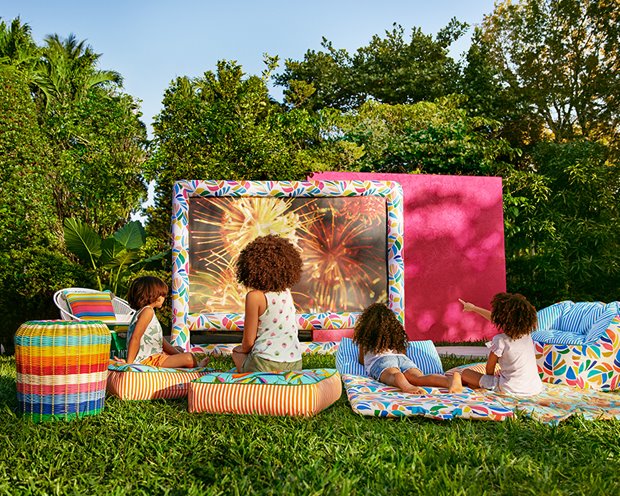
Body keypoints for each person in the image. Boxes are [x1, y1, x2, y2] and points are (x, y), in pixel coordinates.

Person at [354, 303, 463, 394]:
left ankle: (406, 386)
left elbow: (361, 360)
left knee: (393, 375)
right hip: (402, 358)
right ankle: (449, 380)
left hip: (381, 361)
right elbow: (403, 352)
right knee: (419, 378)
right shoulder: (395, 335)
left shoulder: (366, 336)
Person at [232, 234, 303, 373]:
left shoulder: (255, 297)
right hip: (295, 363)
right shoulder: (286, 292)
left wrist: (240, 350)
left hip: (264, 363)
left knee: (237, 353)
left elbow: (248, 343)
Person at [458, 293, 543, 396]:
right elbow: (496, 319)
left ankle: (484, 389)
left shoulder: (500, 340)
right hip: (534, 388)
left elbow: (490, 368)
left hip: (510, 389)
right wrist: (474, 308)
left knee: (466, 373)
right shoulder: (527, 335)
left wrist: (488, 381)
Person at [124, 276, 205, 367]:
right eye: (162, 295)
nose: (164, 298)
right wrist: (129, 364)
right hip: (149, 360)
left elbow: (162, 342)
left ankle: (190, 363)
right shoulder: (148, 311)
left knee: (180, 350)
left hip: (155, 357)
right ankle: (198, 368)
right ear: (153, 295)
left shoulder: (143, 312)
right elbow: (135, 337)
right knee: (189, 357)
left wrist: (177, 353)